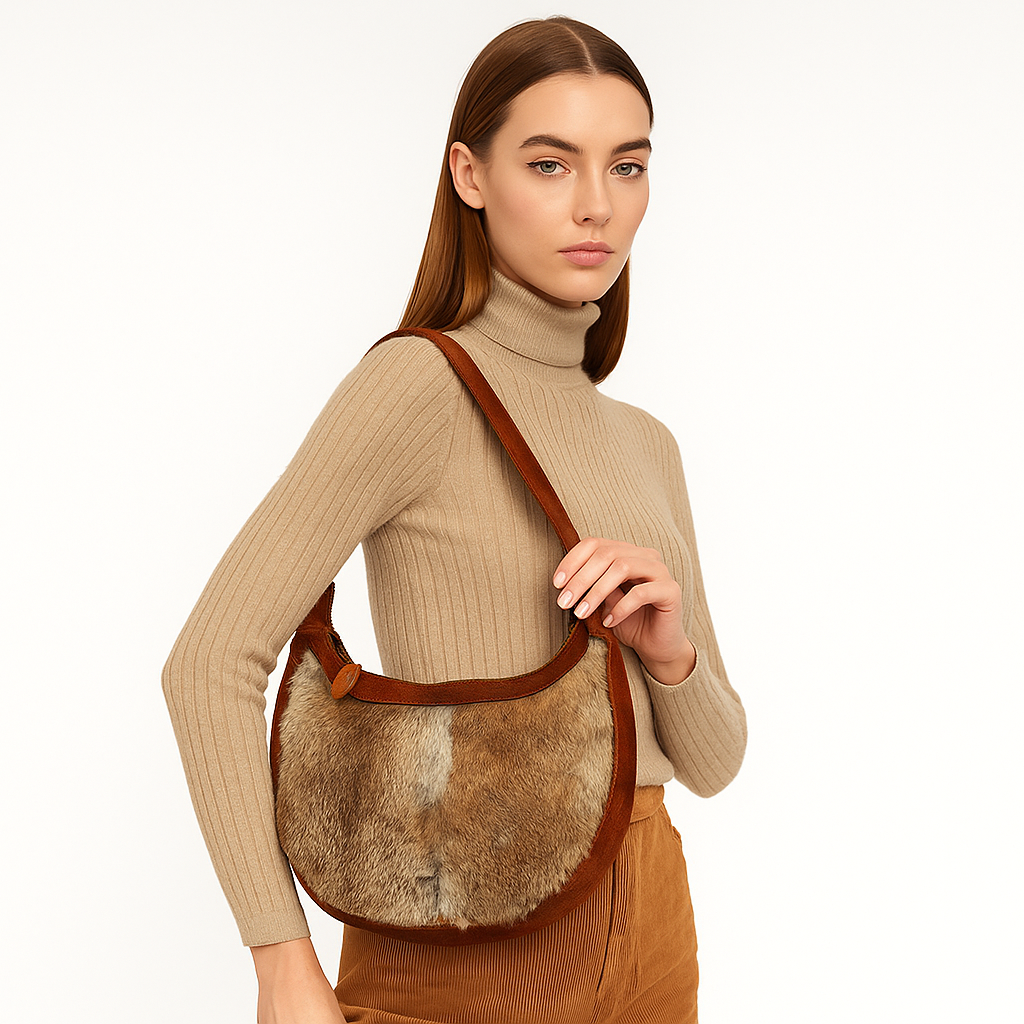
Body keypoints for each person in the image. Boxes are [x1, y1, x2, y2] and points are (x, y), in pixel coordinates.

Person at [161, 15, 747, 1024]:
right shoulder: (419, 385)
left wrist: (670, 655)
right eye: (550, 164)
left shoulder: (646, 442)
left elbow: (715, 763)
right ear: (470, 176)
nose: (597, 204)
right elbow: (208, 660)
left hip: (654, 921)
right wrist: (281, 960)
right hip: (467, 922)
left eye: (628, 165)